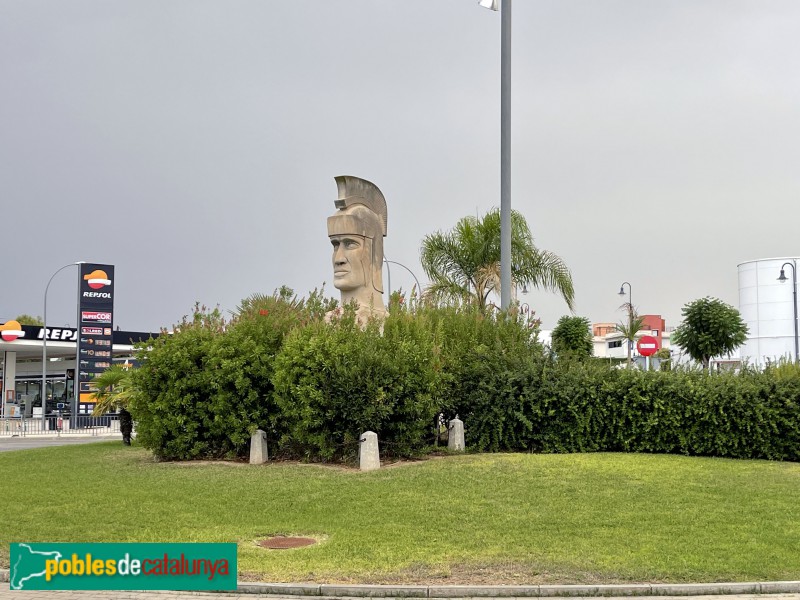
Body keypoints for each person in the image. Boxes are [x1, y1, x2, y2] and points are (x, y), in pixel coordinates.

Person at [326, 176, 388, 325]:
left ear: (373, 251)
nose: (338, 259)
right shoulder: (330, 319)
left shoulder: (376, 321)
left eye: (350, 244)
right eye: (335, 244)